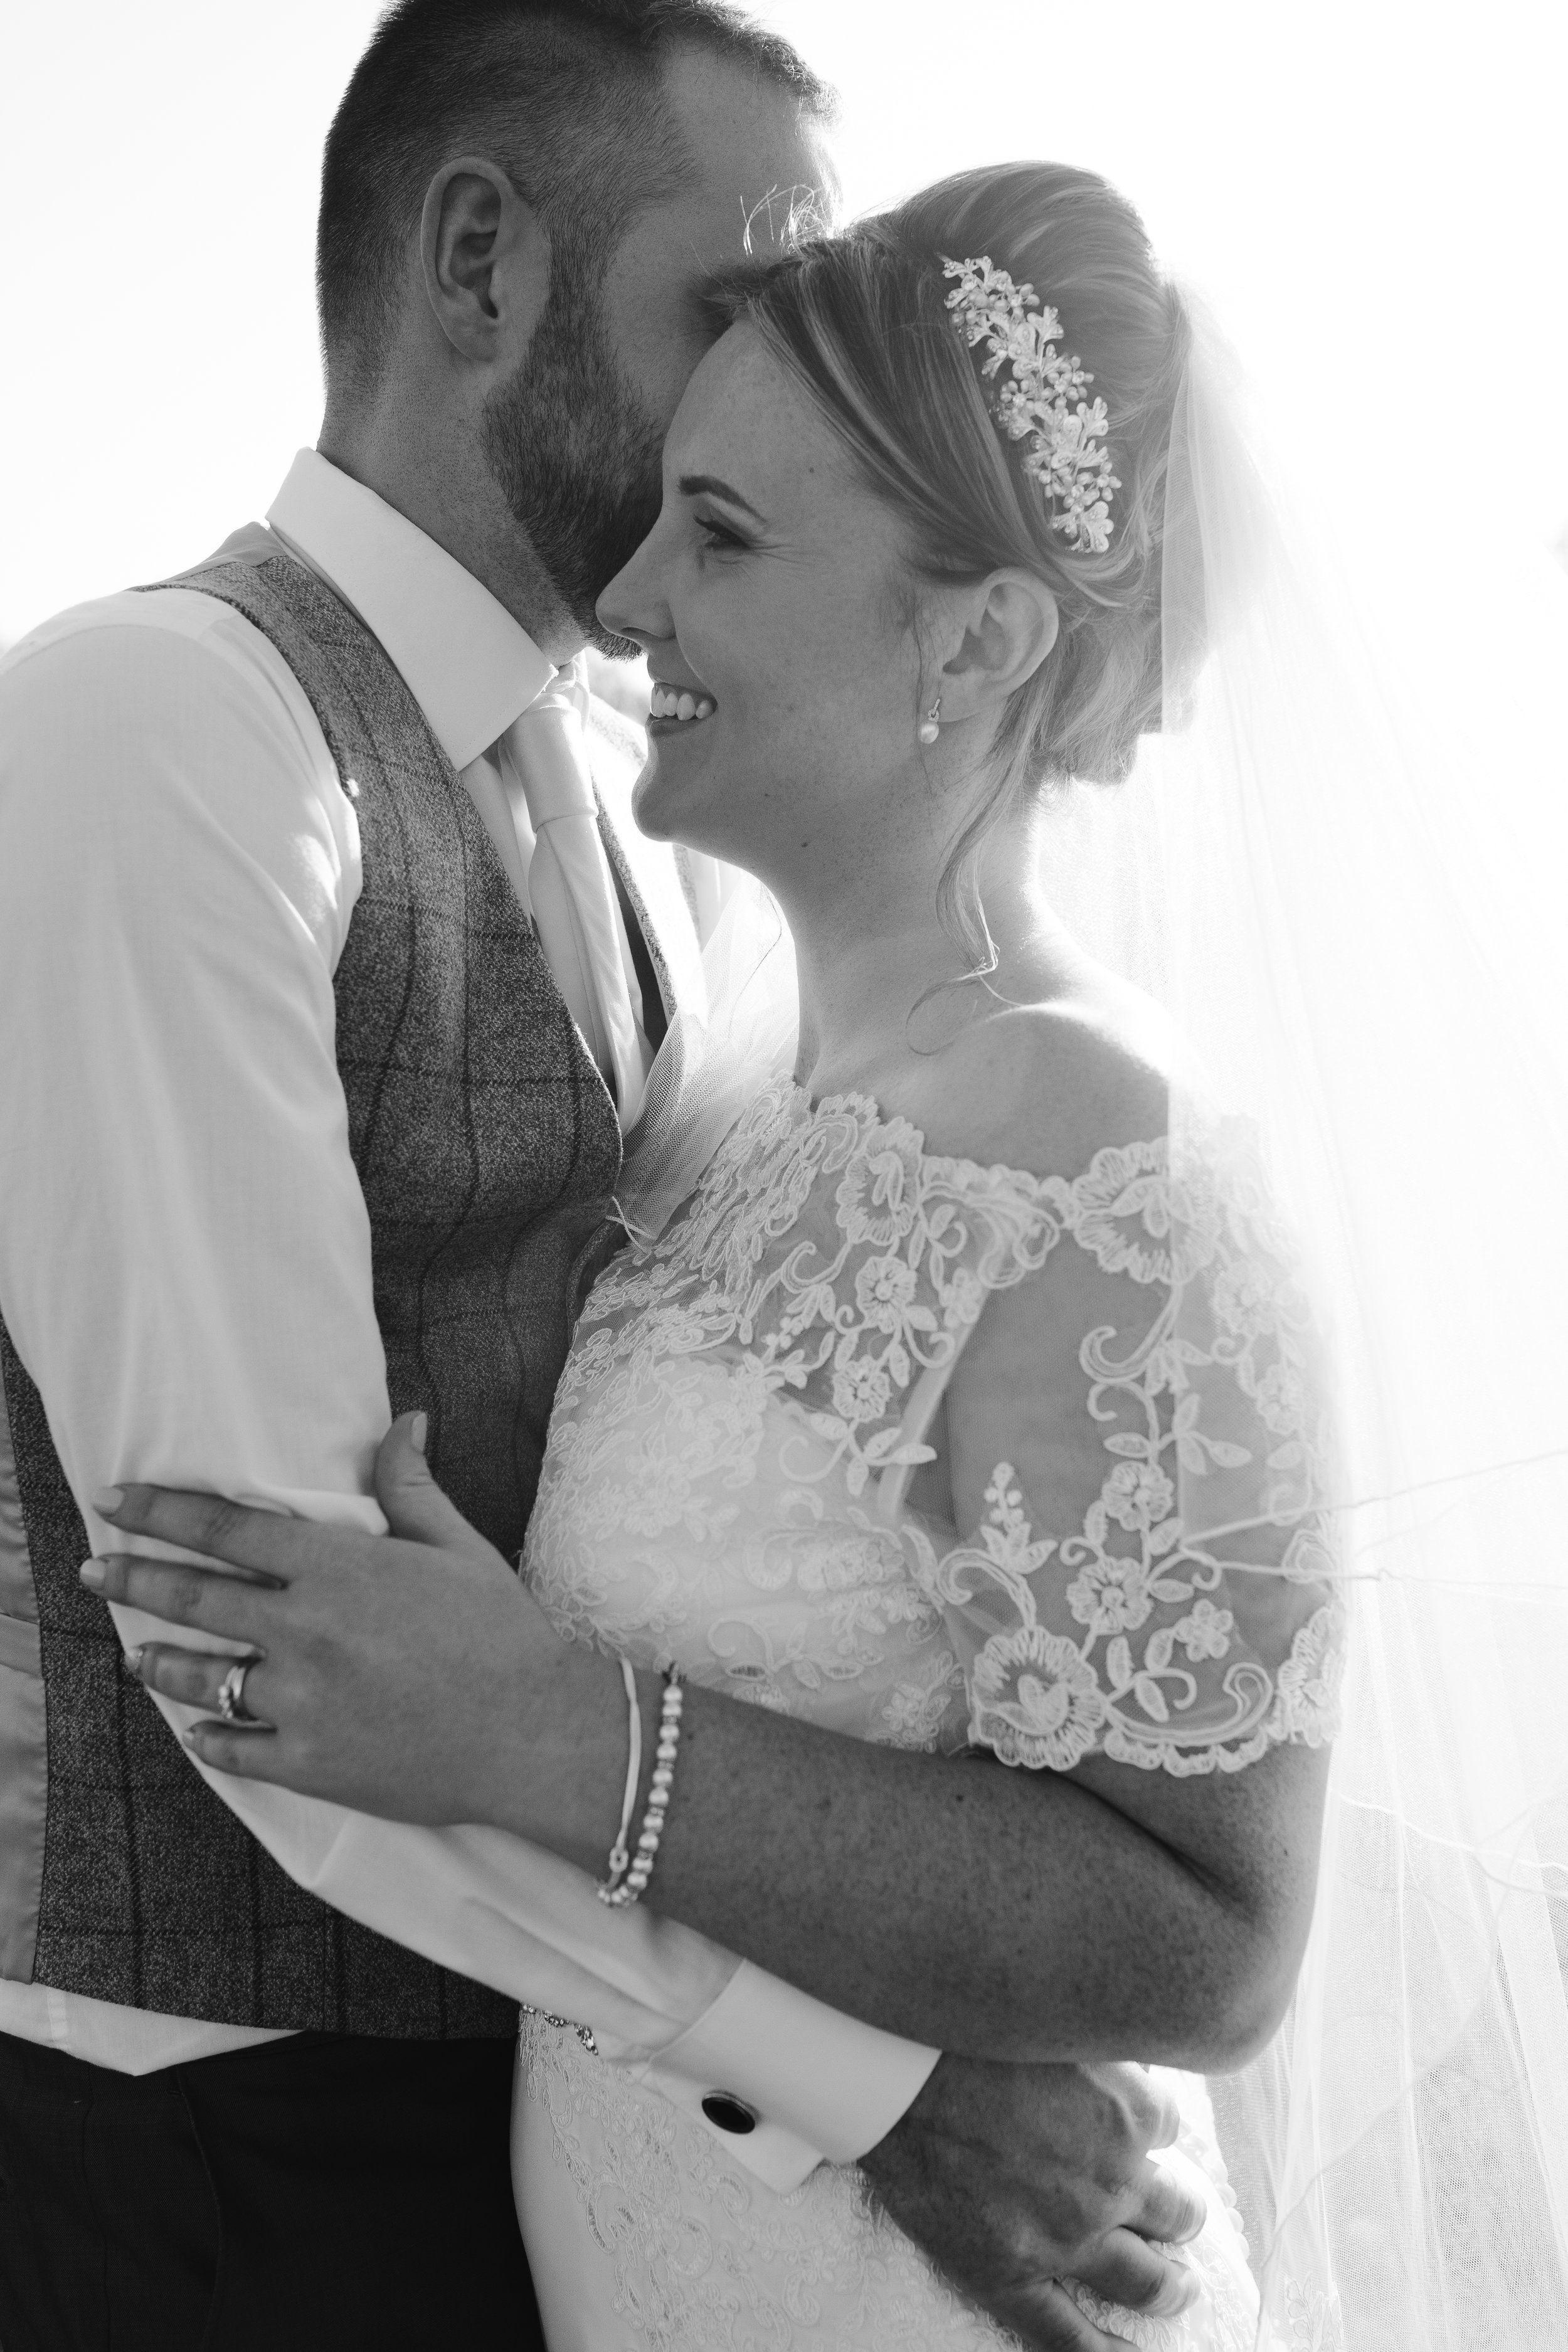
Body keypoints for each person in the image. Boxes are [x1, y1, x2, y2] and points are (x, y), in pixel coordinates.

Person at [0, 9, 1210, 2351]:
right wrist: (871, 2082)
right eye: (740, 301)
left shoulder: (639, 806)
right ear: (479, 262)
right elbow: (267, 1630)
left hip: (563, 2134)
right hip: (210, 2164)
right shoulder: (162, 737)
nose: (794, 385)